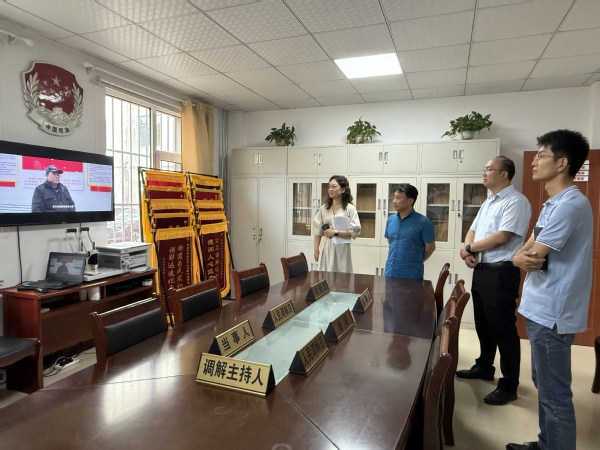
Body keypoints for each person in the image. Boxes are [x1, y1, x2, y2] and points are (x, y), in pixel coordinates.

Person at [508, 130, 592, 450]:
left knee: (555, 395)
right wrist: (519, 257)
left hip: (552, 311)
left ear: (561, 163)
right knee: (544, 385)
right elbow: (524, 251)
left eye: (541, 155)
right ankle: (546, 443)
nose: (534, 161)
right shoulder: (552, 204)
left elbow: (532, 254)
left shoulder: (570, 205)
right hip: (541, 306)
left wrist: (521, 257)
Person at [455, 156, 531, 406]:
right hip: (483, 269)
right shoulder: (489, 201)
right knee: (483, 324)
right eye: (484, 169)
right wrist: (468, 251)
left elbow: (503, 236)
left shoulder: (516, 201)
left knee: (503, 329)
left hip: (501, 271)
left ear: (504, 174)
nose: (484, 173)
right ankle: (484, 366)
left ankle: (509, 385)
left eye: (489, 169)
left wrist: (469, 248)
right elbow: (473, 229)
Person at [384, 184, 435, 279]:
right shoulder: (391, 220)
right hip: (390, 272)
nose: (394, 201)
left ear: (410, 201)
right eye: (394, 197)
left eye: (398, 198)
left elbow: (430, 248)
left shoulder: (423, 222)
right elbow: (391, 242)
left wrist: (415, 261)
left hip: (411, 275)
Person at [313, 175, 361, 273]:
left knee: (342, 277)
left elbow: (355, 231)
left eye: (334, 186)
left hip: (342, 249)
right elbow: (318, 231)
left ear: (343, 189)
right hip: (327, 247)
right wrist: (316, 249)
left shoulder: (350, 209)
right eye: (329, 186)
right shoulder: (323, 208)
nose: (330, 189)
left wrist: (335, 232)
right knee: (325, 276)